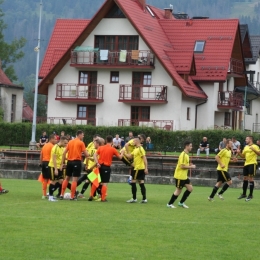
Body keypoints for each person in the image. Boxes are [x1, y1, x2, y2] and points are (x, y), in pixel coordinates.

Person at [92, 135, 123, 202]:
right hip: (106, 167)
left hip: (99, 166)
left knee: (96, 181)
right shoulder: (112, 149)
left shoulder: (101, 148)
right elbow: (120, 157)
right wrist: (122, 152)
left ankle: (91, 196)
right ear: (112, 141)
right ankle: (103, 198)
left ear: (106, 141)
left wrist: (97, 163)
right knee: (105, 183)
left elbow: (94, 155)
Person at [60, 130, 89, 200]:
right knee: (74, 180)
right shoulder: (81, 143)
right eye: (82, 135)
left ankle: (61, 194)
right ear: (79, 135)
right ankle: (72, 196)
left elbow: (64, 153)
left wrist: (63, 162)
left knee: (67, 178)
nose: (83, 136)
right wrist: (89, 155)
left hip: (69, 162)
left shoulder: (70, 142)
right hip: (76, 162)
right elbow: (86, 154)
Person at [167, 141, 196, 209]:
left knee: (190, 188)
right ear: (186, 146)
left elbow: (184, 165)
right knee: (178, 190)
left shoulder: (186, 155)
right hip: (180, 176)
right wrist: (191, 167)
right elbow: (182, 166)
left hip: (184, 176)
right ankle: (169, 204)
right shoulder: (183, 155)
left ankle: (181, 203)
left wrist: (189, 165)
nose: (191, 147)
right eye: (190, 146)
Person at [124, 137, 148, 203]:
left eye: (134, 142)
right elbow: (130, 156)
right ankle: (144, 199)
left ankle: (134, 198)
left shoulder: (140, 149)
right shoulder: (135, 149)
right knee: (141, 183)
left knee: (133, 182)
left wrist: (146, 168)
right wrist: (124, 153)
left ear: (137, 142)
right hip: (138, 168)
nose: (133, 143)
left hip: (138, 168)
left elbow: (144, 159)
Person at [236, 136, 260, 201]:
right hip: (246, 164)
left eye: (246, 139)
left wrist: (254, 149)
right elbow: (243, 156)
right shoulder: (246, 147)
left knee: (251, 178)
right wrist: (239, 153)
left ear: (250, 139)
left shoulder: (255, 146)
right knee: (245, 178)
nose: (245, 140)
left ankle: (250, 195)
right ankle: (244, 194)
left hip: (252, 163)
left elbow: (259, 153)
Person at [48, 136, 68, 202]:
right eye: (65, 143)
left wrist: (62, 164)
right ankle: (50, 196)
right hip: (53, 166)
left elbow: (63, 157)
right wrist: (56, 169)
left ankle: (51, 192)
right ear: (61, 141)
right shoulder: (55, 148)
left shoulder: (62, 148)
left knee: (61, 181)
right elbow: (54, 159)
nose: (66, 145)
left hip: (59, 167)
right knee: (53, 181)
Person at [39, 134, 57, 199]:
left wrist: (41, 163)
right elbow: (54, 156)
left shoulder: (45, 145)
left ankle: (45, 194)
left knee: (45, 179)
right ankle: (48, 194)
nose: (56, 140)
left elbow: (41, 155)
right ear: (51, 139)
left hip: (44, 163)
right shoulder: (52, 146)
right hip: (48, 163)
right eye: (55, 139)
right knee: (52, 179)